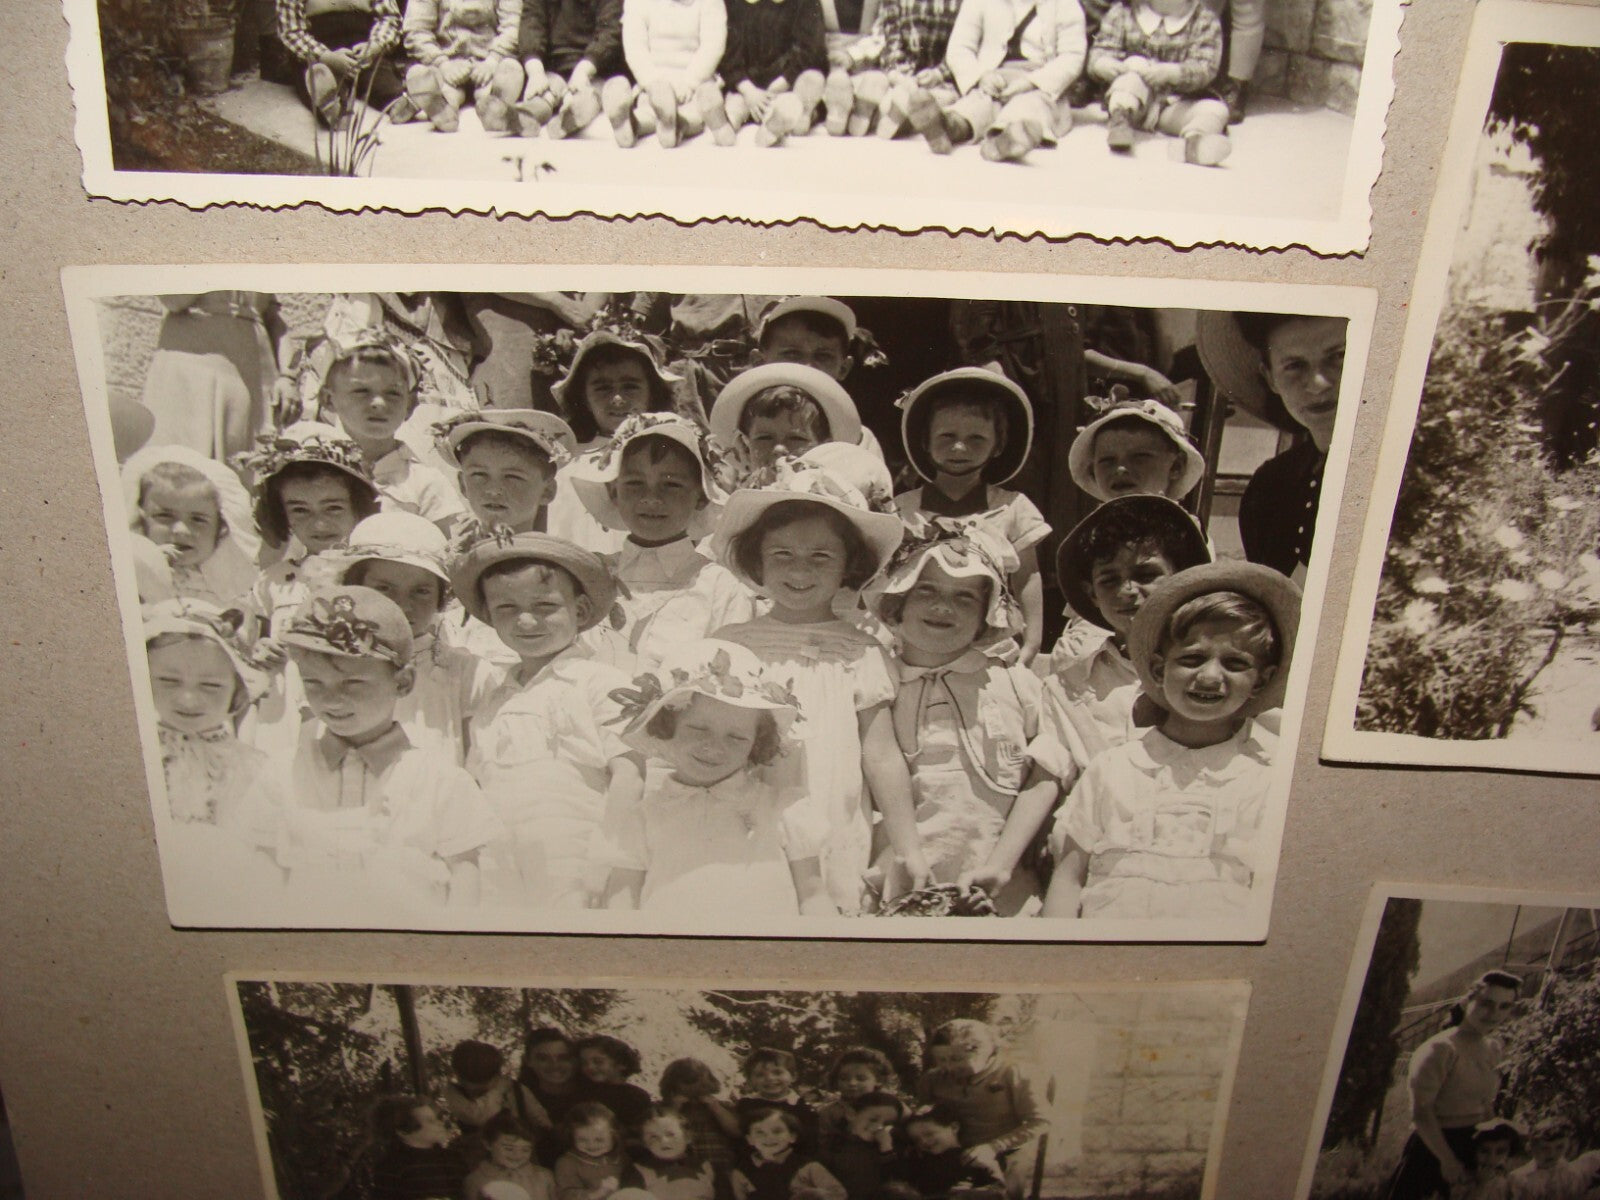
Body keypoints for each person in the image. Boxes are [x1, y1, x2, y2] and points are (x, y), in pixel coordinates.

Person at [710, 444, 931, 913]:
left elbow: (882, 756)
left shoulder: (861, 650)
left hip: (830, 806)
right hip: (747, 808)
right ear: (758, 560)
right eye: (783, 554)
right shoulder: (732, 643)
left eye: (820, 557)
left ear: (849, 564)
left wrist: (907, 844)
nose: (799, 570)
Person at [1042, 561, 1298, 919]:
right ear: (1161, 670)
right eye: (1192, 659)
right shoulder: (1112, 770)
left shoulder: (1268, 782)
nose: (1209, 677)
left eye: (1235, 664)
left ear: (1261, 680)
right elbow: (1068, 880)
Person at [871, 521, 1069, 915]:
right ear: (897, 604)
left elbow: (1048, 772)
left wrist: (1001, 865)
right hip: (904, 875)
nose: (943, 607)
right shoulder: (880, 684)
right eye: (925, 590)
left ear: (986, 617)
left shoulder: (1013, 683)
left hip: (998, 879)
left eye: (964, 597)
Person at [276, 585, 501, 918]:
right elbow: (264, 872)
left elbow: (465, 882)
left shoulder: (441, 782)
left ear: (403, 683)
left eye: (352, 684)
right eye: (314, 683)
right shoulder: (283, 772)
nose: (331, 699)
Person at [453, 530, 643, 909]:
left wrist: (605, 857)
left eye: (545, 606)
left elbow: (630, 775)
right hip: (499, 856)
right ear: (490, 617)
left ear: (582, 611)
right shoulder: (494, 698)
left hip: (574, 851)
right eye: (507, 609)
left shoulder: (601, 682)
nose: (526, 621)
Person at [603, 639, 829, 916]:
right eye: (698, 729)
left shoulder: (782, 810)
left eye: (736, 737)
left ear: (757, 743)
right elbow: (620, 906)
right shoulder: (643, 817)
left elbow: (814, 898)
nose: (714, 748)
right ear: (666, 726)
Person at [568, 413, 756, 672]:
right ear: (614, 492)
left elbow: (733, 672)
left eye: (671, 485)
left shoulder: (719, 587)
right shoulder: (592, 575)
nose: (651, 498)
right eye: (635, 483)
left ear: (701, 497)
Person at [1037, 495, 1210, 767]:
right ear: (1091, 593)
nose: (1127, 591)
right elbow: (1050, 774)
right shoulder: (1071, 684)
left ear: (1181, 578)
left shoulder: (1211, 673)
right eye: (1109, 580)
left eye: (1145, 575)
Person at [892, 366, 1050, 664]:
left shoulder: (1013, 507)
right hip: (915, 646)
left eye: (976, 438)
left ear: (998, 445)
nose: (959, 447)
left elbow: (1028, 576)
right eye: (947, 435)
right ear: (925, 440)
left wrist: (1032, 641)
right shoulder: (903, 508)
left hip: (991, 649)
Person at [143, 599, 283, 919]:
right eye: (168, 681)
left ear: (238, 692)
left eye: (211, 685)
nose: (188, 698)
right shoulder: (133, 756)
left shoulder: (255, 770)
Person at [1196, 310, 1348, 582]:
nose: (1317, 384)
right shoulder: (1270, 489)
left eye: (1339, 357)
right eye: (1294, 366)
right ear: (1270, 378)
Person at [335, 511, 498, 764]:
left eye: (420, 592)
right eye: (384, 589)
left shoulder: (468, 673)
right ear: (354, 587)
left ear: (441, 597)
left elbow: (480, 765)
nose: (403, 605)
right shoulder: (330, 664)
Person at [1382, 972, 1523, 1200]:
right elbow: (1421, 1112)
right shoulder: (1441, 1048)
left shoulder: (1494, 1048)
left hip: (1475, 1148)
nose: (1494, 1014)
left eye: (1504, 1006)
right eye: (1487, 1004)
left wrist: (1494, 1154)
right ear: (1467, 1001)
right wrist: (1447, 1160)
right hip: (1433, 1147)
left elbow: (1487, 1105)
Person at [549, 331, 687, 554]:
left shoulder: (674, 453)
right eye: (602, 388)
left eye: (630, 386)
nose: (617, 399)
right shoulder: (568, 462)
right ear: (583, 397)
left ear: (652, 392)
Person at [318, 331, 468, 532]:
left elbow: (447, 553)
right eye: (361, 391)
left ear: (410, 404)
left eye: (393, 393)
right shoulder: (312, 475)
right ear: (328, 399)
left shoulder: (423, 483)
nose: (379, 403)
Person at [903, 0, 1085, 161]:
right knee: (978, 103)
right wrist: (979, 76)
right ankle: (950, 127)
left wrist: (1032, 82)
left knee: (1029, 106)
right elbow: (959, 48)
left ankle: (1007, 139)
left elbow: (1072, 56)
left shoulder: (1064, 4)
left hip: (1039, 84)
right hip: (994, 76)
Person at [140, 292, 285, 465]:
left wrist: (287, 376)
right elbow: (174, 301)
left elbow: (273, 317)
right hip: (194, 366)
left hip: (253, 371)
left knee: (247, 465)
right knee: (183, 468)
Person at [1086, 0, 1231, 166]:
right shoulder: (1123, 12)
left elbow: (1206, 66)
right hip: (1134, 99)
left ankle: (1194, 141)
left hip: (1172, 105)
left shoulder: (1204, 20)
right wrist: (1103, 64)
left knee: (1216, 110)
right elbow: (1101, 50)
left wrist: (1174, 73)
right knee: (1135, 64)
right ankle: (1120, 122)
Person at [913, 1020, 1045, 1198]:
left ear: (983, 1051)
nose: (948, 1067)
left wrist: (993, 1147)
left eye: (956, 1059)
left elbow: (1040, 1122)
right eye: (941, 1060)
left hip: (1003, 1155)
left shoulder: (1013, 1074)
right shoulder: (933, 1079)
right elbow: (921, 1118)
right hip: (948, 1155)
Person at [122, 444, 259, 607]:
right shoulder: (128, 576)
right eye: (165, 516)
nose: (181, 530)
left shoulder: (233, 591)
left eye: (198, 520)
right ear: (141, 518)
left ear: (220, 529)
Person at [709, 363, 869, 482]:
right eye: (764, 438)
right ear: (744, 446)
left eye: (796, 438)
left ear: (826, 447)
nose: (778, 449)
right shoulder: (736, 506)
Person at [603, 0, 727, 146]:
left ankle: (676, 125)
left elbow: (712, 46)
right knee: (649, 110)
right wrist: (652, 83)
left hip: (693, 86)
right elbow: (635, 49)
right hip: (655, 88)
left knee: (695, 112)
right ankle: (631, 124)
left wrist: (690, 83)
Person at [704, 0, 828, 146]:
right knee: (735, 106)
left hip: (785, 84)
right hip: (744, 87)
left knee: (804, 88)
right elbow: (727, 53)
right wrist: (748, 90)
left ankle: (776, 127)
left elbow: (810, 49)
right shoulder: (733, 3)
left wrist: (781, 83)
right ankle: (725, 128)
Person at [438, 409, 579, 537]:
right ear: (463, 484)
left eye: (512, 477)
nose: (494, 490)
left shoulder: (556, 563)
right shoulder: (451, 560)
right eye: (479, 474)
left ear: (547, 491)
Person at [402, 0, 527, 132]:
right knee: (443, 87)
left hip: (488, 63)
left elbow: (514, 25)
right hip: (447, 62)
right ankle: (443, 107)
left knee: (508, 69)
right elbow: (417, 30)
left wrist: (493, 60)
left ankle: (494, 105)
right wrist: (442, 64)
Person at [276, 0, 405, 126]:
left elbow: (389, 17)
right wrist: (325, 56)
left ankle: (400, 103)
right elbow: (291, 31)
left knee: (382, 80)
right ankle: (332, 106)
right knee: (316, 79)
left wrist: (375, 45)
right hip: (318, 50)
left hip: (362, 48)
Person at [1065, 389, 1205, 505]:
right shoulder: (1093, 531)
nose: (1120, 469)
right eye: (1107, 460)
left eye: (1139, 457)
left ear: (1176, 466)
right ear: (1092, 471)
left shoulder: (1183, 531)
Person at [514, 0, 624, 136]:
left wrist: (584, 70)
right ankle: (527, 116)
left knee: (588, 94)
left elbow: (610, 33)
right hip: (554, 65)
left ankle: (570, 117)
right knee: (545, 92)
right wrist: (535, 72)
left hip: (595, 67)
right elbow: (531, 24)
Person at [442, 1040, 544, 1159]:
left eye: (484, 1086)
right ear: (459, 1077)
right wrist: (497, 1091)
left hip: (520, 1155)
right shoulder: (456, 1095)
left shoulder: (517, 1090)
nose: (475, 1090)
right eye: (470, 1085)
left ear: (497, 1075)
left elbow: (540, 1119)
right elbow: (478, 1116)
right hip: (478, 1160)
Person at [891, 1103, 1005, 1197]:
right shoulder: (919, 1162)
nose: (924, 1142)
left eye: (929, 1134)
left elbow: (999, 1190)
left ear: (954, 1127)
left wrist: (974, 1192)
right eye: (917, 1140)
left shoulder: (974, 1157)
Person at [730, 1108, 846, 1200]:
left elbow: (838, 1194)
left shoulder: (808, 1166)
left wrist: (813, 1195)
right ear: (750, 1139)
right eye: (760, 1133)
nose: (769, 1137)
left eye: (777, 1131)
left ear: (792, 1136)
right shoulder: (741, 1171)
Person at [368, 1095, 469, 1200]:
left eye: (437, 1118)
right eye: (431, 1121)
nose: (440, 1124)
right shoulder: (391, 1166)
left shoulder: (454, 1159)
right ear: (404, 1131)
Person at [659, 1059, 742, 1177]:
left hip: (721, 1170)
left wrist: (716, 1108)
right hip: (682, 1172)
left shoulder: (723, 1107)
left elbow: (737, 1131)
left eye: (700, 1084)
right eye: (687, 1083)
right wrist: (674, 1109)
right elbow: (659, 1132)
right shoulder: (663, 1109)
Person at [621, 1105, 719, 1200]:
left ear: (687, 1136)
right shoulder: (638, 1171)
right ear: (644, 1143)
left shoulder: (706, 1167)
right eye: (653, 1137)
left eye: (670, 1134)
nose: (664, 1141)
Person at [819, 1092, 903, 1200]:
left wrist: (886, 1148)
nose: (878, 1127)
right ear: (851, 1114)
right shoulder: (832, 1146)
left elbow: (895, 1184)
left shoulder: (888, 1150)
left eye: (886, 1124)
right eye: (873, 1120)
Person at [520, 1029, 585, 1165]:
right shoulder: (519, 1097)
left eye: (563, 1058)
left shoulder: (592, 1094)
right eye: (543, 1058)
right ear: (528, 1061)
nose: (555, 1065)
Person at [734, 1050, 818, 1150]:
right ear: (751, 1081)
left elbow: (809, 1143)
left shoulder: (802, 1108)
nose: (769, 1078)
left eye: (777, 1072)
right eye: (760, 1075)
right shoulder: (746, 1104)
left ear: (793, 1076)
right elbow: (740, 1137)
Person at [466, 1111, 559, 1200]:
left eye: (525, 1150)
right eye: (509, 1149)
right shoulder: (475, 1180)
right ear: (488, 1144)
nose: (517, 1155)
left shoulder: (544, 1177)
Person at [815, 1048, 897, 1142]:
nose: (852, 1083)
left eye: (861, 1079)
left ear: (878, 1080)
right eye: (844, 1079)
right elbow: (824, 1144)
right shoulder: (829, 1112)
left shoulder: (889, 1108)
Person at [1510, 1115, 1600, 1200]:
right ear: (1530, 1147)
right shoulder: (1520, 1178)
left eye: (1560, 1147)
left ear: (1568, 1145)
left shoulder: (1571, 1174)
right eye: (1545, 1148)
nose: (1552, 1153)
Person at [575, 1036, 654, 1132]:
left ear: (622, 1064)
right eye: (584, 1063)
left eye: (598, 1062)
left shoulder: (636, 1096)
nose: (590, 1067)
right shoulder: (582, 1092)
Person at [555, 1103, 630, 1200]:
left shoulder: (621, 1158)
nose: (591, 1145)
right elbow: (565, 1195)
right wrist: (598, 1193)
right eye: (582, 1140)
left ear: (614, 1136)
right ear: (572, 1137)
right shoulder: (567, 1163)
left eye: (599, 1140)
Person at [1456, 1120, 1526, 1200]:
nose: (1491, 1159)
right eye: (1484, 1151)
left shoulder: (1513, 1181)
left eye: (1500, 1152)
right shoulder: (1464, 1181)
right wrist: (1481, 1186)